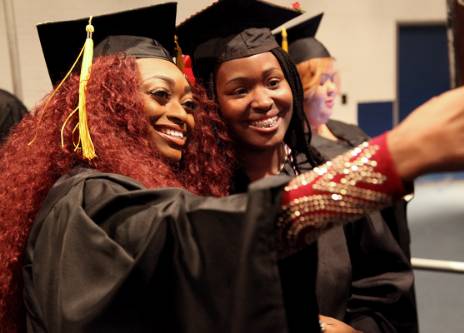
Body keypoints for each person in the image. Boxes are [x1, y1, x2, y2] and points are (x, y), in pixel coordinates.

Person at [0, 3, 419, 333]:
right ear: (108, 103)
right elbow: (190, 233)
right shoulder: (92, 197)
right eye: (160, 95)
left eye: (187, 103)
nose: (180, 115)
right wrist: (377, 168)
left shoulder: (151, 183)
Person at [177, 0, 464, 332]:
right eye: (240, 90)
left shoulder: (333, 172)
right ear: (212, 104)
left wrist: (358, 330)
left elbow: (385, 287)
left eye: (273, 82)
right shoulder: (198, 196)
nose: (263, 101)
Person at [283, 13, 417, 332]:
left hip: (386, 248)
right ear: (299, 90)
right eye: (319, 81)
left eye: (333, 78)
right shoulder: (296, 155)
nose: (330, 89)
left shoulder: (350, 132)